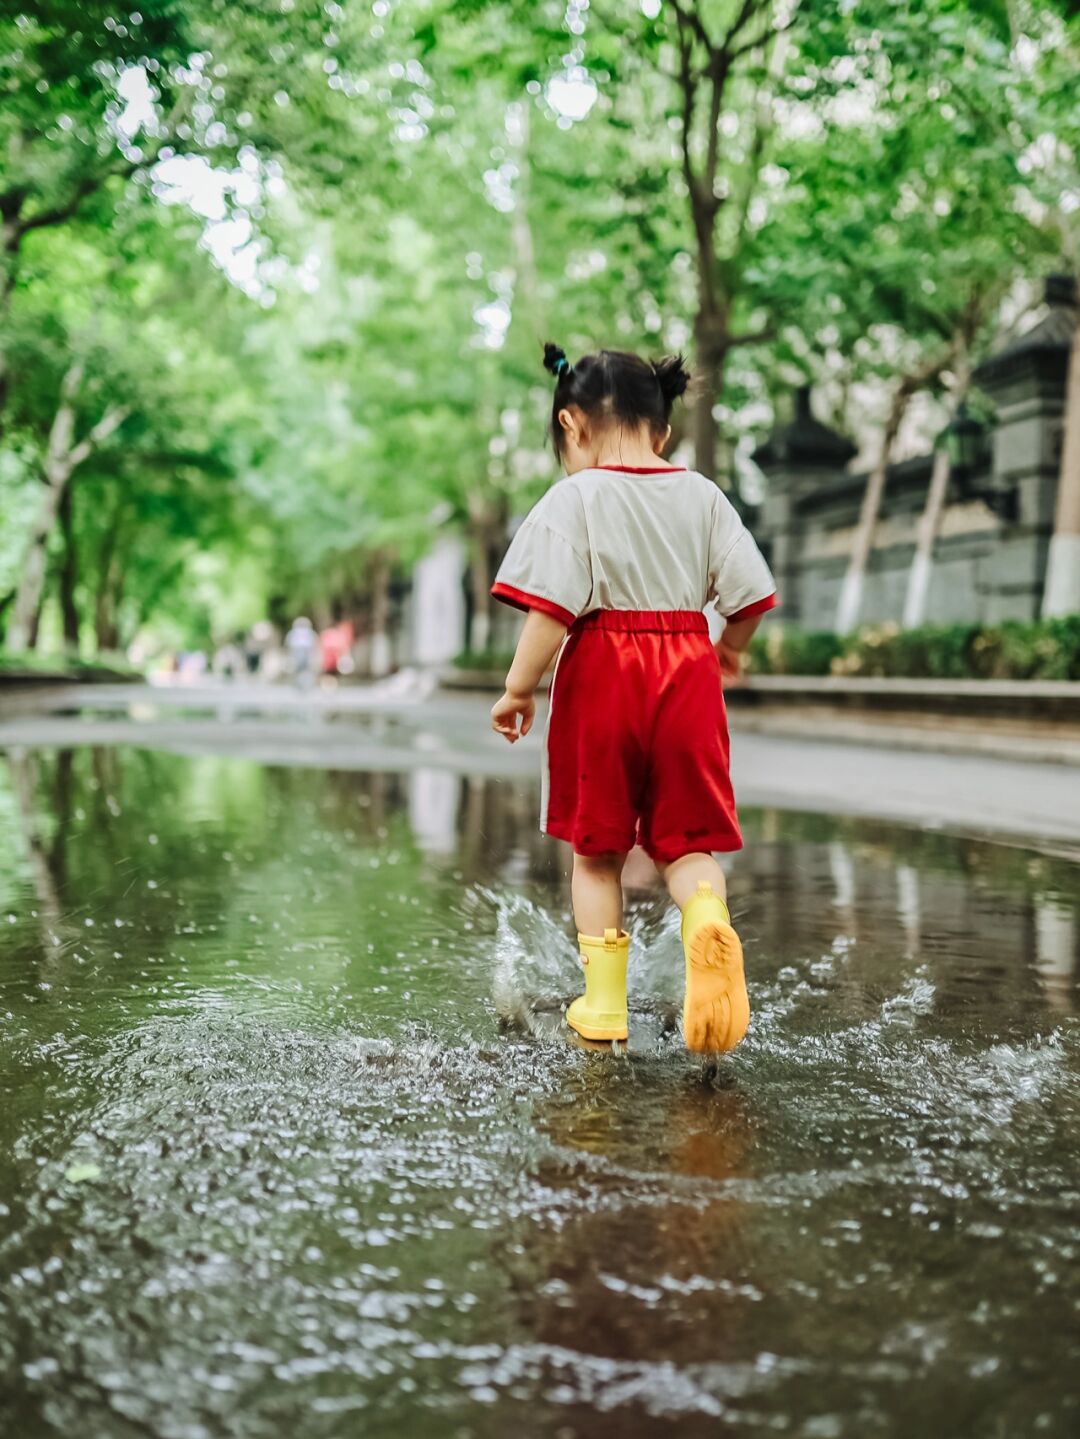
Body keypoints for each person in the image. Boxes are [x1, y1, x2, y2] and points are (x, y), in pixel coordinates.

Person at [489, 344, 776, 1053]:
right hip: (687, 668)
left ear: (571, 424)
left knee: (598, 851)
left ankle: (605, 1003)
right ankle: (706, 917)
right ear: (663, 431)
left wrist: (518, 687)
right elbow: (750, 595)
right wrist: (730, 648)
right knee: (687, 844)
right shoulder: (703, 494)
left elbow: (552, 611)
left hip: (604, 672)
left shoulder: (576, 496)